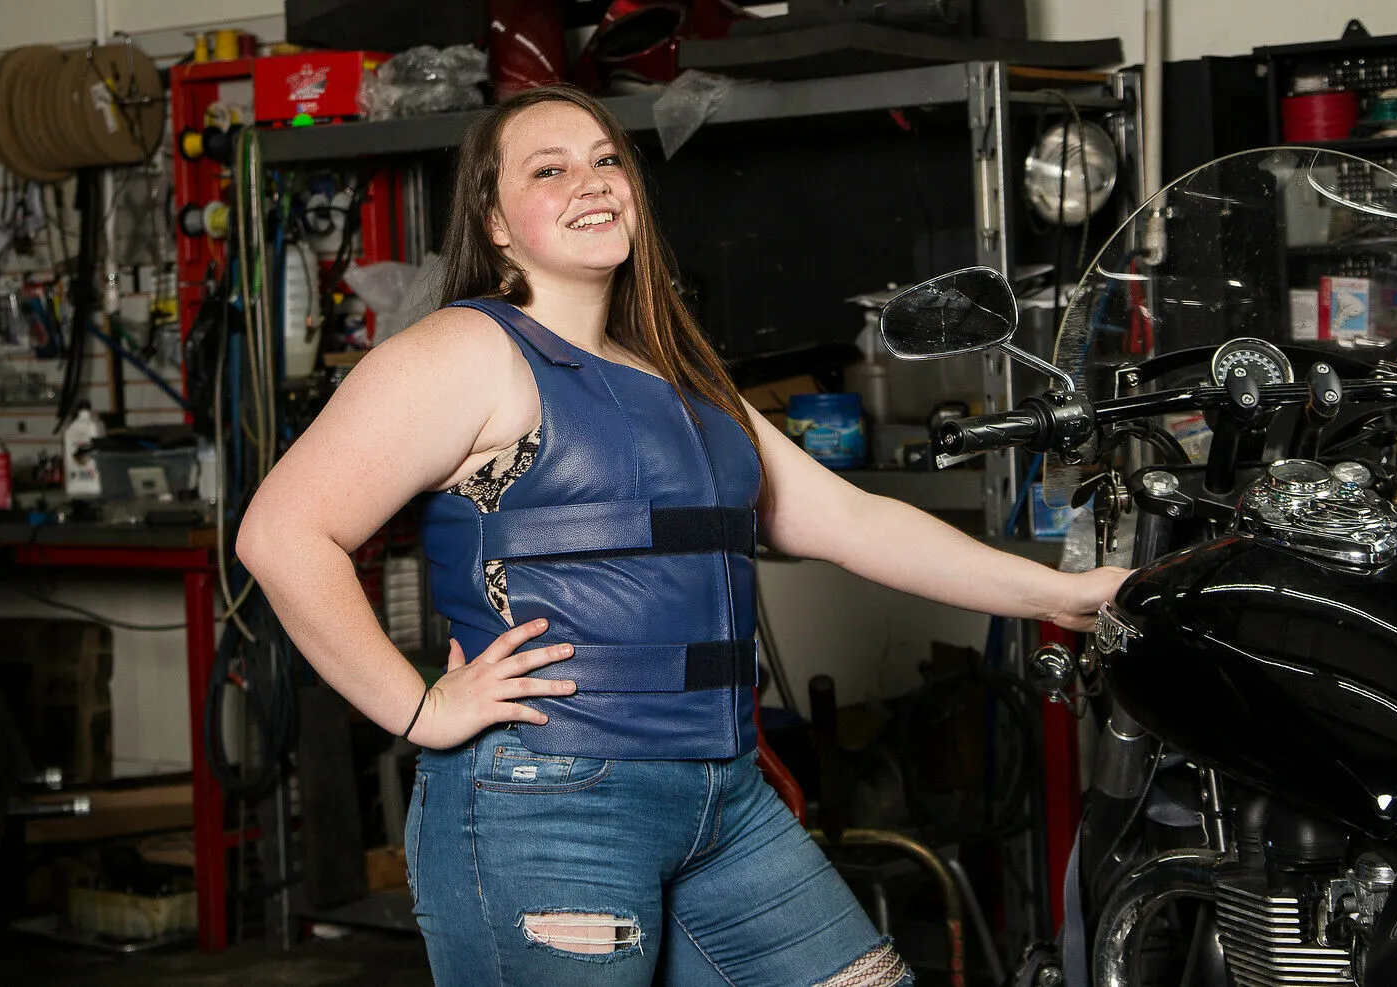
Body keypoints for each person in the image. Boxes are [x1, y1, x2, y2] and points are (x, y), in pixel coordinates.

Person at [237, 82, 1130, 986]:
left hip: (723, 792)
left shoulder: (684, 375)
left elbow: (852, 520)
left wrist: (1064, 592)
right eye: (549, 169)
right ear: (495, 222)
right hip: (550, 797)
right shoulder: (469, 349)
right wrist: (420, 707)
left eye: (607, 159)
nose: (590, 181)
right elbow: (282, 532)